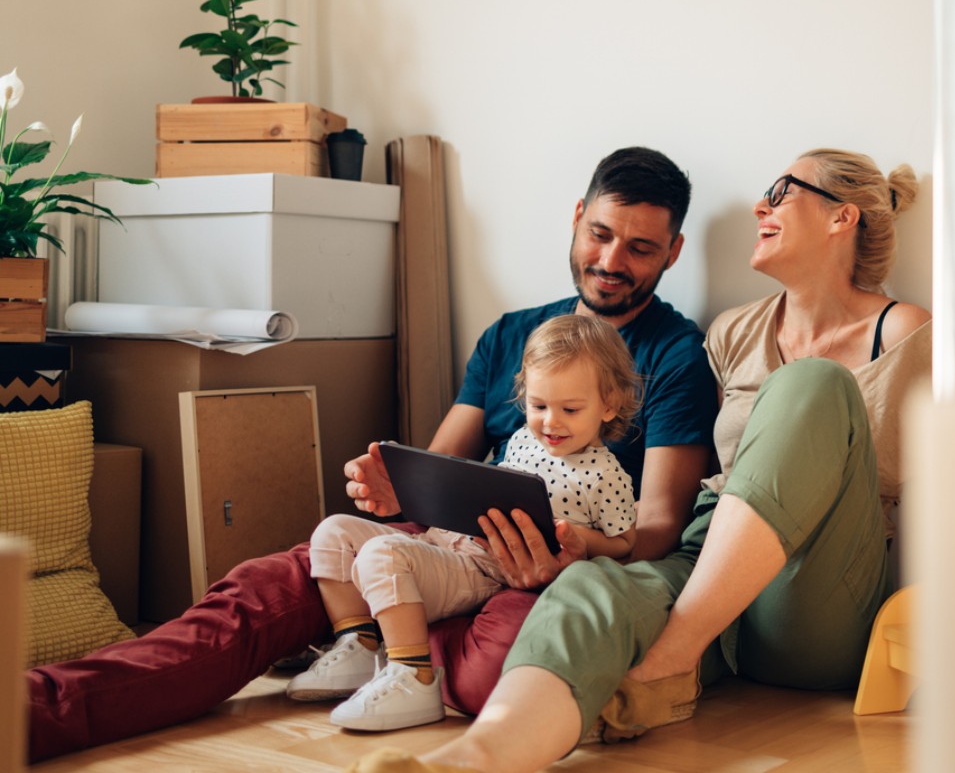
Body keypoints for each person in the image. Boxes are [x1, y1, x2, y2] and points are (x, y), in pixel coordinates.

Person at [25, 147, 718, 762]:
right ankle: (33, 709)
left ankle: (389, 654)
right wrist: (394, 489)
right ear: (576, 217)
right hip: (441, 545)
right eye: (600, 234)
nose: (611, 262)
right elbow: (440, 463)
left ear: (674, 251)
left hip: (545, 576)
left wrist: (578, 552)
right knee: (259, 593)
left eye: (641, 249)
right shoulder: (513, 334)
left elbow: (658, 527)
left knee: (489, 677)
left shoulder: (676, 355)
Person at [347, 148, 934, 773]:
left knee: (812, 385)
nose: (761, 204)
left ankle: (672, 657)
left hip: (813, 581)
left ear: (843, 218)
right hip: (707, 556)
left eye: (782, 190)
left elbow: (911, 477)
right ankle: (474, 757)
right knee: (588, 587)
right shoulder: (732, 332)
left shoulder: (904, 330)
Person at [289, 314, 641, 733]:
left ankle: (414, 675)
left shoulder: (606, 476)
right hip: (449, 535)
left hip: (486, 566)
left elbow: (625, 542)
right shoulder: (524, 439)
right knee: (332, 532)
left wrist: (581, 540)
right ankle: (359, 644)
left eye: (569, 409)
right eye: (538, 405)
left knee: (381, 555)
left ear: (610, 404)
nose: (550, 422)